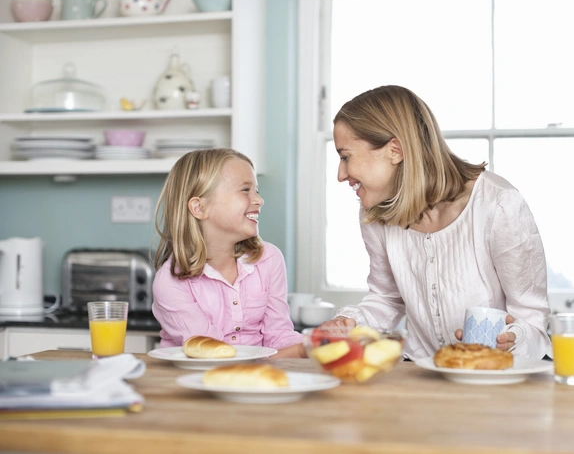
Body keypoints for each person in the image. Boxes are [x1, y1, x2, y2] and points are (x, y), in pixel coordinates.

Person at [321, 85, 551, 360]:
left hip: (496, 382)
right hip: (421, 379)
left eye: (345, 156)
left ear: (395, 150)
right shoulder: (376, 213)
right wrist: (351, 323)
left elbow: (532, 319)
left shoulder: (498, 205)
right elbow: (386, 298)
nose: (340, 174)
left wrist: (510, 341)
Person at [151, 148, 304, 358]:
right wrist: (305, 350)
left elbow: (279, 336)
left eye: (256, 190)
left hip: (253, 381)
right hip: (191, 384)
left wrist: (312, 345)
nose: (259, 200)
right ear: (199, 208)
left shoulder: (269, 259)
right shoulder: (170, 282)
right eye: (245, 190)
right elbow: (213, 353)